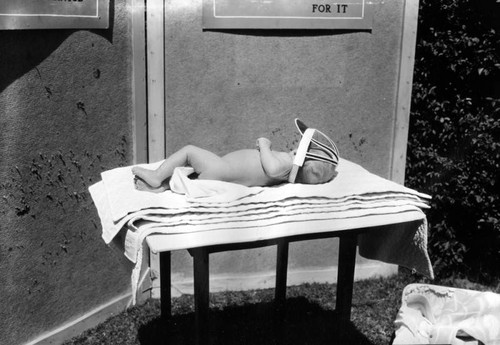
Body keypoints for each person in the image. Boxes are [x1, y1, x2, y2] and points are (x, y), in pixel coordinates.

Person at [132, 119, 339, 192]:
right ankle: (163, 187)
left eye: (298, 149)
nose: (293, 149)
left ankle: (157, 176)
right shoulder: (290, 170)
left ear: (300, 157)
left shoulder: (284, 164)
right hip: (222, 174)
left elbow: (272, 168)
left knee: (189, 151)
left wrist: (265, 146)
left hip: (222, 170)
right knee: (192, 176)